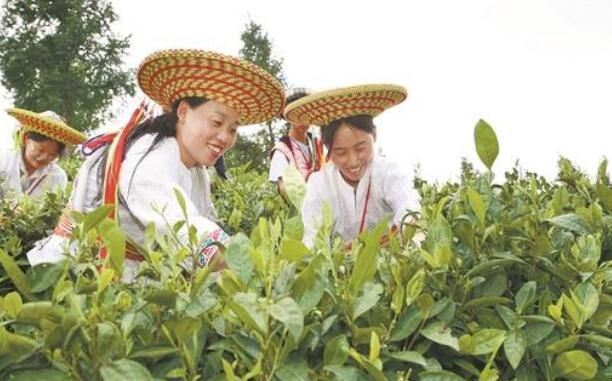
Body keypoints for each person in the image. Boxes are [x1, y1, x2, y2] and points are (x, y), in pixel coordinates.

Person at [27, 49, 285, 282]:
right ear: (183, 112)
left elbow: (204, 221)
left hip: (135, 278)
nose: (225, 137)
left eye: (232, 129)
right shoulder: (150, 156)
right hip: (81, 276)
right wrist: (247, 271)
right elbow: (184, 229)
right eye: (217, 123)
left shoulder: (196, 169)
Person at [283, 84, 419, 247]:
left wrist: (395, 238)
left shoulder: (388, 172)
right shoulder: (320, 184)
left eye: (360, 148)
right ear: (328, 148)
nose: (353, 160)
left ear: (374, 135)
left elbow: (410, 215)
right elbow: (311, 240)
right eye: (340, 152)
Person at [0, 109, 85, 199]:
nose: (44, 158)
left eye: (52, 155)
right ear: (26, 139)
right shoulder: (3, 161)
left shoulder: (58, 177)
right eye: (40, 150)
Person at [269, 87, 325, 196]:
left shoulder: (319, 146)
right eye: (296, 115)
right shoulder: (282, 151)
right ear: (288, 117)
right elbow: (284, 189)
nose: (302, 121)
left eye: (307, 114)